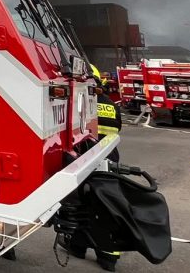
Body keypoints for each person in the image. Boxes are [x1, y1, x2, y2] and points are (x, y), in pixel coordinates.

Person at [65, 65, 124, 271]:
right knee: (106, 210)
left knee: (82, 206)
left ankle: (78, 246)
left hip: (86, 162)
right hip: (110, 162)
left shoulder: (80, 105)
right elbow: (117, 129)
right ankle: (107, 256)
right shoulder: (111, 105)